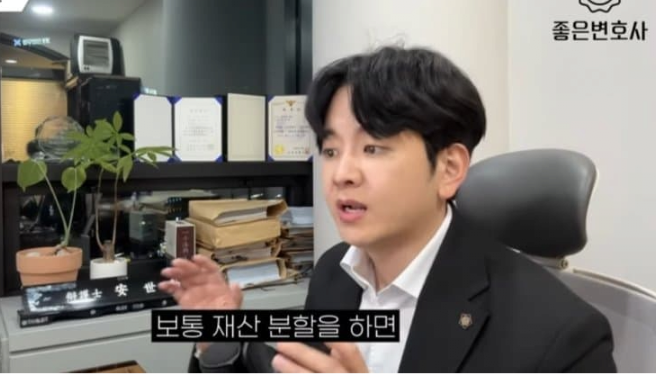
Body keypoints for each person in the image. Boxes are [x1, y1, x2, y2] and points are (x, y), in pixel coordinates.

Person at [158, 45, 616, 373]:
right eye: (331, 150)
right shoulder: (335, 272)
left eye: (373, 148)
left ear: (449, 168)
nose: (341, 174)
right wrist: (220, 340)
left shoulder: (563, 337)